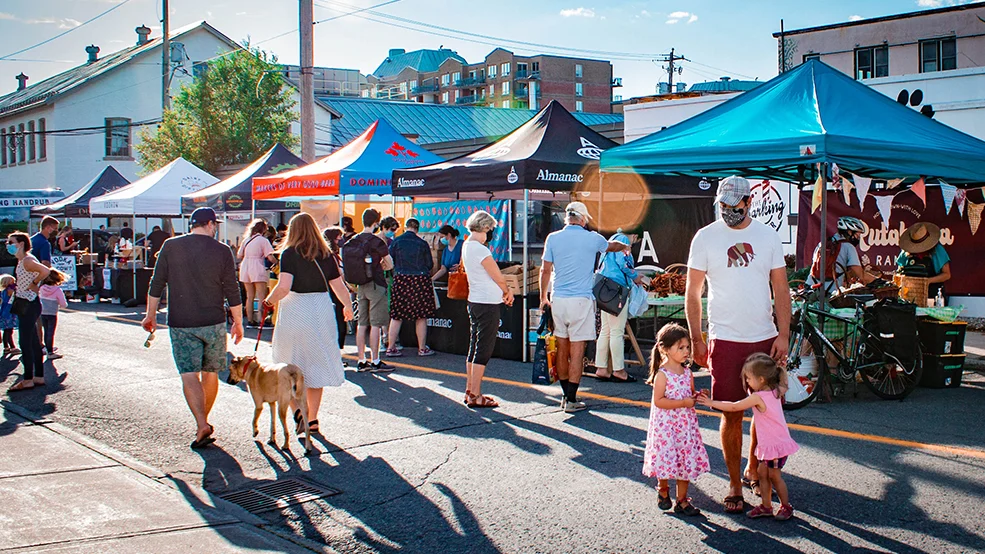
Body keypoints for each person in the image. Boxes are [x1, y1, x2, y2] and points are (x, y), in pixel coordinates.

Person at [685, 175, 791, 514]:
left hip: (763, 335)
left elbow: (781, 288)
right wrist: (697, 337)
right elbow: (693, 292)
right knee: (730, 414)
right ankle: (734, 483)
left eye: (734, 205)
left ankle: (753, 469)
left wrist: (784, 333)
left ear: (748, 202)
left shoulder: (767, 236)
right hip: (725, 337)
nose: (728, 210)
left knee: (764, 410)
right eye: (723, 205)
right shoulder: (705, 237)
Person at [142, 208, 244, 449]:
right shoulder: (222, 250)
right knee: (211, 372)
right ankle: (203, 423)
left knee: (189, 374)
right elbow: (232, 288)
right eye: (214, 224)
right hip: (214, 321)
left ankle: (201, 423)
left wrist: (150, 314)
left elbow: (157, 283)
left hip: (182, 321)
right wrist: (238, 321)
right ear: (209, 224)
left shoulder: (170, 246)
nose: (215, 228)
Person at [264, 213, 354, 437]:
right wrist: (348, 306)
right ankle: (312, 419)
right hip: (321, 309)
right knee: (316, 367)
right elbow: (339, 286)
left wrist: (268, 301)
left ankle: (298, 412)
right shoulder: (326, 254)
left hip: (295, 310)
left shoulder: (289, 253)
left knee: (286, 365)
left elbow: (284, 287)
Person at [540, 202, 628, 413]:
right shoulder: (592, 238)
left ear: (567, 218)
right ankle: (571, 399)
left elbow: (545, 270)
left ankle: (565, 396)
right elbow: (612, 246)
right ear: (583, 219)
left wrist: (543, 297)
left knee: (562, 347)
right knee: (577, 350)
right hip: (581, 300)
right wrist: (625, 245)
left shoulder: (552, 238)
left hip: (558, 298)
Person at [699, 353, 799, 521]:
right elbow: (785, 384)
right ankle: (766, 506)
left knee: (774, 476)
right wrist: (781, 368)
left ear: (761, 379)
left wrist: (711, 403)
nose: (746, 381)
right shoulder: (775, 391)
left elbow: (734, 406)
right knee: (762, 473)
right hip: (771, 445)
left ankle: (786, 506)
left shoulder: (757, 397)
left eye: (749, 378)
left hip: (775, 445)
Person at [643, 323, 710, 517]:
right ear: (664, 349)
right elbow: (659, 401)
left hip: (685, 426)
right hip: (666, 427)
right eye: (680, 347)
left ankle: (682, 500)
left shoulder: (687, 372)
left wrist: (697, 396)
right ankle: (663, 489)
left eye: (687, 347)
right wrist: (682, 403)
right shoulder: (662, 375)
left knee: (684, 459)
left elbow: (689, 393)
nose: (686, 351)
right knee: (666, 458)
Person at [461, 211, 514, 408]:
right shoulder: (480, 249)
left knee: (474, 345)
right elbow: (496, 275)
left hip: (475, 300)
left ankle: (470, 390)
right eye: (490, 228)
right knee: (483, 348)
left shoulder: (467, 245)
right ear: (484, 227)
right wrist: (507, 291)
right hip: (487, 303)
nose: (491, 232)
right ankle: (475, 394)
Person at [343, 209, 394, 372]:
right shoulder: (376, 241)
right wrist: (381, 266)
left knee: (362, 324)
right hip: (376, 284)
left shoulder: (353, 241)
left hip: (360, 285)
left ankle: (361, 360)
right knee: (376, 324)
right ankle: (376, 360)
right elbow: (390, 263)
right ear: (376, 223)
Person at [592, 231, 646, 383]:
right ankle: (619, 370)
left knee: (605, 330)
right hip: (617, 290)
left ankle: (601, 368)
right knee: (617, 331)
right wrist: (635, 277)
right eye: (636, 239)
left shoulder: (611, 241)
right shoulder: (623, 241)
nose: (634, 243)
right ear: (634, 235)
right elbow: (624, 264)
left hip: (605, 289)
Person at [6, 232, 52, 391]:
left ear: (21, 244)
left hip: (28, 304)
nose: (8, 245)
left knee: (25, 342)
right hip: (26, 303)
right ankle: (38, 376)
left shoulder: (27, 260)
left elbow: (45, 271)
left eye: (11, 242)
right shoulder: (23, 260)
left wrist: (35, 282)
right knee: (33, 341)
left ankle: (27, 379)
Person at [387, 218, 436, 357]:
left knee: (397, 316)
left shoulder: (396, 242)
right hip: (420, 280)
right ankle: (422, 348)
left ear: (405, 227)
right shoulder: (422, 243)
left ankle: (391, 347)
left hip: (401, 279)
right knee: (421, 316)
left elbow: (389, 261)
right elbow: (430, 264)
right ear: (417, 229)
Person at [807, 216, 877, 294]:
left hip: (810, 286)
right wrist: (878, 281)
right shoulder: (848, 247)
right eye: (857, 235)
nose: (858, 238)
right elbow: (861, 275)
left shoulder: (822, 243)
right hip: (830, 291)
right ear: (850, 232)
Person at [238, 219, 276, 328]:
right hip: (257, 266)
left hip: (245, 266)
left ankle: (250, 320)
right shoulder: (263, 240)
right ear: (264, 229)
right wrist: (277, 263)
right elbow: (270, 256)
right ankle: (261, 319)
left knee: (249, 296)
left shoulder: (246, 240)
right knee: (261, 295)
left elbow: (239, 255)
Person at [896, 222, 951, 299]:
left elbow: (947, 274)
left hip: (932, 294)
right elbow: (899, 271)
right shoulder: (906, 251)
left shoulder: (937, 250)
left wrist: (928, 281)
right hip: (910, 294)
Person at [323, 227, 352, 355]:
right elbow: (339, 274)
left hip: (333, 290)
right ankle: (336, 350)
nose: (341, 240)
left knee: (338, 320)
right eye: (338, 238)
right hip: (335, 291)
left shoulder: (333, 255)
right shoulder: (331, 256)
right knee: (338, 320)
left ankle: (337, 350)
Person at [39, 269, 68, 360]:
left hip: (42, 312)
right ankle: (50, 352)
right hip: (52, 313)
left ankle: (48, 348)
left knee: (46, 331)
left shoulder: (42, 288)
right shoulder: (57, 290)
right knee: (50, 333)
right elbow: (63, 304)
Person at [0, 274, 19, 356]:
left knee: (6, 330)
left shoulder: (2, 291)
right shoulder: (9, 290)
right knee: (9, 330)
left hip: (4, 310)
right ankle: (12, 347)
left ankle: (6, 347)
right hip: (9, 311)